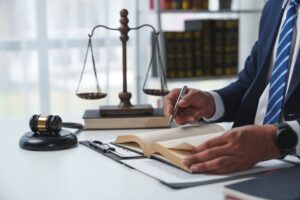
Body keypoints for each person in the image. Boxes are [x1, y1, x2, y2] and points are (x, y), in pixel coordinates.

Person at [164, 0, 300, 174]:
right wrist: (211, 102)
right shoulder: (275, 6)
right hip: (247, 162)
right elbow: (250, 84)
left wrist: (273, 140)